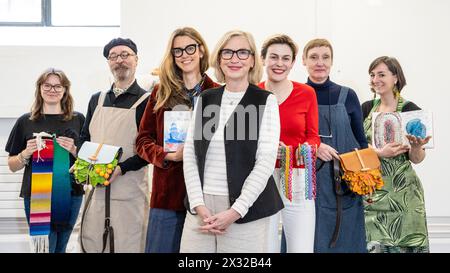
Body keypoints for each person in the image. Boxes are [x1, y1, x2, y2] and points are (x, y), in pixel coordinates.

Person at [180, 30, 283, 253]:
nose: (234, 58)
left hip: (245, 209)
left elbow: (264, 163)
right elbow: (190, 153)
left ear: (253, 60)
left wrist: (235, 210)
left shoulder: (264, 101)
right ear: (219, 59)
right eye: (227, 52)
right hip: (202, 207)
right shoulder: (207, 99)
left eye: (242, 52)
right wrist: (198, 204)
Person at [135, 27, 219, 253]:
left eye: (190, 48)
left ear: (201, 50)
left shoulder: (218, 94)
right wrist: (169, 155)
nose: (184, 54)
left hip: (207, 196)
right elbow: (142, 141)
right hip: (168, 195)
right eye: (177, 51)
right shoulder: (160, 93)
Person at [79, 38, 150, 252]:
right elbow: (84, 139)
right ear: (109, 63)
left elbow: (149, 150)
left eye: (125, 55)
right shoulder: (96, 100)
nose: (120, 60)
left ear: (136, 60)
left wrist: (121, 168)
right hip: (96, 194)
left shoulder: (148, 102)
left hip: (130, 195)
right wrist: (83, 164)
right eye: (113, 56)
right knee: (93, 244)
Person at [6, 68, 85, 253]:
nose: (52, 89)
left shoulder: (78, 119)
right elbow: (12, 165)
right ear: (40, 88)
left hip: (71, 194)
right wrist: (26, 153)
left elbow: (89, 161)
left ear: (65, 90)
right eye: (47, 85)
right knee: (44, 249)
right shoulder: (25, 121)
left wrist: (74, 150)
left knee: (61, 247)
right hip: (36, 195)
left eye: (58, 86)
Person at [303, 38, 367, 252]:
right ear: (304, 61)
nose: (319, 62)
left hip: (344, 190)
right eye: (313, 57)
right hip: (306, 188)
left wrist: (366, 185)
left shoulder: (348, 96)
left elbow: (362, 143)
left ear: (331, 61)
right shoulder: (296, 94)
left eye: (325, 57)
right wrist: (314, 147)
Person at [362, 56, 431, 253]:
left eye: (381, 74)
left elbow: (417, 159)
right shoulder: (366, 108)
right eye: (372, 75)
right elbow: (356, 148)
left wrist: (417, 147)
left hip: (405, 197)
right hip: (372, 194)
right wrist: (379, 152)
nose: (376, 79)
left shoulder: (411, 111)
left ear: (396, 78)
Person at [259, 34, 320, 253]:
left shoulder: (306, 93)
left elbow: (314, 138)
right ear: (263, 59)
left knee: (301, 248)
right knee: (265, 249)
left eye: (286, 58)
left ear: (293, 62)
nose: (279, 63)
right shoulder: (253, 93)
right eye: (273, 57)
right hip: (261, 178)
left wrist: (297, 151)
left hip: (298, 177)